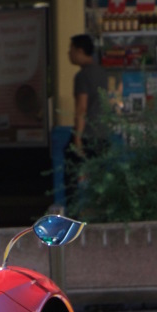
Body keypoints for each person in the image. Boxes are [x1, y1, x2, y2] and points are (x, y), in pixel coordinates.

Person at [50, 34, 106, 211]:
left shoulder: (82, 76)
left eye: (71, 49)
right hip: (102, 134)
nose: (68, 53)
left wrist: (78, 138)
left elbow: (82, 107)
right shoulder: (101, 73)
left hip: (87, 134)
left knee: (71, 176)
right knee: (100, 179)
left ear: (80, 51)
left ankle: (73, 214)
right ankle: (100, 214)